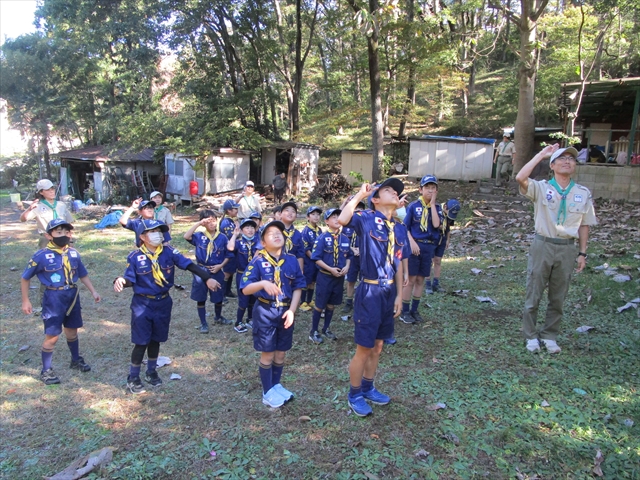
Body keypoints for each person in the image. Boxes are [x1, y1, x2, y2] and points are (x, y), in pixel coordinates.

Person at [113, 220, 220, 394]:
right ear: (142, 237)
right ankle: (133, 377)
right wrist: (120, 280)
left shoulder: (169, 252)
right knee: (141, 341)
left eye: (159, 231)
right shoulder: (134, 257)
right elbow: (129, 279)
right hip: (143, 303)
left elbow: (189, 265)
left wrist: (207, 277)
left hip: (163, 302)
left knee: (156, 338)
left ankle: (151, 371)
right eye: (152, 231)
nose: (157, 234)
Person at [515, 145, 597, 354]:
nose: (567, 161)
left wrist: (582, 252)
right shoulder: (542, 188)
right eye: (562, 158)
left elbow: (584, 224)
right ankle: (531, 335)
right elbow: (520, 177)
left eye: (572, 159)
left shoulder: (582, 193)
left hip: (567, 248)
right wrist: (540, 155)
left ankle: (550, 335)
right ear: (552, 165)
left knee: (558, 295)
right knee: (534, 291)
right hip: (543, 244)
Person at [338, 178, 404, 417]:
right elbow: (343, 220)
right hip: (370, 292)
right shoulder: (366, 218)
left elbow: (396, 261)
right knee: (364, 348)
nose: (395, 193)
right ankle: (354, 394)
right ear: (375, 200)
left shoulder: (396, 227)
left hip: (388, 292)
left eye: (397, 192)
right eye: (389, 190)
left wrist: (398, 296)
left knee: (378, 346)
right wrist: (359, 196)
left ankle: (368, 387)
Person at [21, 219, 101, 385]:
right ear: (48, 236)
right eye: (58, 232)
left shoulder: (73, 253)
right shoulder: (41, 256)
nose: (63, 235)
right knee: (53, 335)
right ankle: (46, 370)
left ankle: (75, 359)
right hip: (53, 298)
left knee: (72, 330)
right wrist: (25, 300)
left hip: (71, 295)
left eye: (66, 232)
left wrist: (93, 291)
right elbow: (25, 278)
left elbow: (82, 273)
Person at [239, 221, 305, 408]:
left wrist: (292, 311)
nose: (277, 235)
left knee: (281, 353)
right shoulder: (258, 261)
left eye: (279, 232)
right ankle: (267, 391)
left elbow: (299, 286)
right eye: (270, 233)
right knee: (267, 354)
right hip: (265, 312)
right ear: (262, 241)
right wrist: (262, 284)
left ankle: (276, 385)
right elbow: (245, 288)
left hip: (285, 311)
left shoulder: (291, 260)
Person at [401, 175, 442, 324]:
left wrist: (432, 204)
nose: (430, 191)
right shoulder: (413, 206)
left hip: (428, 246)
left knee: (420, 279)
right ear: (420, 189)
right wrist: (411, 242)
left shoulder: (437, 208)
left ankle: (414, 310)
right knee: (411, 279)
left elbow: (436, 225)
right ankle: (404, 311)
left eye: (433, 188)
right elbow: (405, 227)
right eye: (427, 188)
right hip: (414, 245)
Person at [184, 210, 233, 333]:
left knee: (218, 296)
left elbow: (228, 254)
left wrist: (220, 266)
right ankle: (203, 323)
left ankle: (218, 316)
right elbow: (186, 236)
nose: (212, 223)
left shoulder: (222, 237)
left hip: (216, 270)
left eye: (214, 220)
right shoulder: (199, 236)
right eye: (208, 221)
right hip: (201, 270)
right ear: (203, 223)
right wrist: (198, 224)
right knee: (201, 297)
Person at [309, 208, 352, 343]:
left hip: (338, 278)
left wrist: (347, 267)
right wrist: (330, 269)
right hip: (325, 277)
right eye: (333, 217)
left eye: (339, 217)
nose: (337, 219)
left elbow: (349, 256)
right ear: (327, 221)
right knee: (320, 304)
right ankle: (314, 331)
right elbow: (316, 258)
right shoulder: (322, 238)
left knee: (332, 304)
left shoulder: (344, 238)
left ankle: (326, 328)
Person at [227, 218, 260, 332]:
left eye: (252, 227)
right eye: (247, 227)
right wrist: (235, 235)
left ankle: (250, 318)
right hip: (242, 275)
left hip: (255, 275)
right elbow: (230, 248)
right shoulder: (238, 243)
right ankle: (238, 321)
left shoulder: (258, 242)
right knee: (243, 299)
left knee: (253, 298)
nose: (250, 230)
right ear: (241, 230)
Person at [20, 179, 74, 249]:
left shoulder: (61, 205)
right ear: (41, 192)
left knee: (65, 258)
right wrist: (29, 209)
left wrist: (70, 241)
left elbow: (69, 224)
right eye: (47, 190)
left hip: (63, 236)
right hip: (47, 239)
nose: (51, 191)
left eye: (52, 189)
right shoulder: (37, 206)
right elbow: (23, 219)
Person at [425, 198, 460, 294]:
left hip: (442, 238)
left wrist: (448, 239)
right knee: (430, 261)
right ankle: (427, 284)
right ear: (445, 207)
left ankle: (436, 283)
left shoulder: (449, 215)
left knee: (438, 261)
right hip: (432, 238)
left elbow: (448, 227)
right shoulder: (435, 209)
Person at [341, 199, 366, 314]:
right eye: (356, 208)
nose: (358, 210)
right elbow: (343, 240)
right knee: (351, 280)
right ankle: (348, 302)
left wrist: (361, 250)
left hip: (363, 256)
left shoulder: (366, 225)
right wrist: (352, 249)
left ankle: (361, 301)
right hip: (351, 257)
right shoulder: (347, 225)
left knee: (363, 280)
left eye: (361, 208)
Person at [299, 206, 323, 312]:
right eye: (313, 214)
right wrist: (314, 258)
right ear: (308, 217)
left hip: (317, 262)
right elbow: (305, 248)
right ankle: (302, 302)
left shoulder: (319, 230)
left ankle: (309, 300)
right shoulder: (305, 231)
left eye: (318, 214)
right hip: (309, 262)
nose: (316, 217)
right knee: (306, 281)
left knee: (313, 281)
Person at [220, 199, 241, 300]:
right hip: (228, 251)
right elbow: (231, 237)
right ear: (229, 210)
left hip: (233, 251)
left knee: (231, 271)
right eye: (235, 208)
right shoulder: (226, 223)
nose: (237, 210)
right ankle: (222, 293)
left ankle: (227, 291)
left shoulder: (232, 220)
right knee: (226, 273)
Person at [280, 201, 305, 273]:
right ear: (280, 214)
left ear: (296, 217)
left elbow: (300, 255)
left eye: (293, 211)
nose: (290, 213)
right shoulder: (273, 231)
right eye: (287, 210)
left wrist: (300, 272)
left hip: (291, 270)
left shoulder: (298, 234)